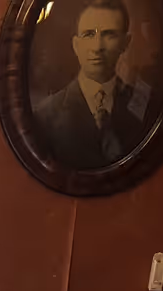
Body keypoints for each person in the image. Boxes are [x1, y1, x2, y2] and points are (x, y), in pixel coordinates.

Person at [32, 0, 155, 170]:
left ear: (125, 43)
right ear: (76, 45)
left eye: (109, 35)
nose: (97, 47)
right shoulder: (45, 116)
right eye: (89, 34)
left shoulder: (146, 108)